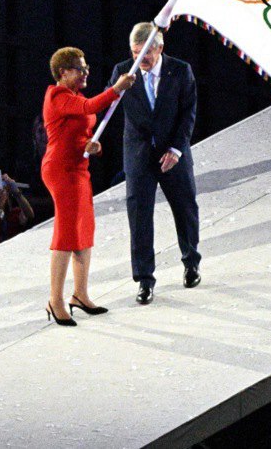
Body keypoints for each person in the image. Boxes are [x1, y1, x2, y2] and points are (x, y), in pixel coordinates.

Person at [110, 23, 200, 305]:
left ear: (160, 48)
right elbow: (110, 103)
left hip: (172, 152)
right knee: (139, 215)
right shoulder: (123, 72)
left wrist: (176, 149)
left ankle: (191, 263)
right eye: (136, 54)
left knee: (185, 207)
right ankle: (145, 280)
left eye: (146, 55)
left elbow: (188, 114)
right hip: (138, 155)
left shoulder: (180, 71)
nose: (141, 61)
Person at [43, 46, 135, 324]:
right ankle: (55, 300)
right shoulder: (57, 94)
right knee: (67, 234)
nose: (86, 73)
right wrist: (117, 89)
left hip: (79, 168)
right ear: (64, 72)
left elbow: (76, 129)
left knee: (84, 230)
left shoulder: (74, 96)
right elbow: (89, 107)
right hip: (61, 170)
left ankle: (80, 294)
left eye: (86, 68)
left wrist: (88, 145)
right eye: (80, 68)